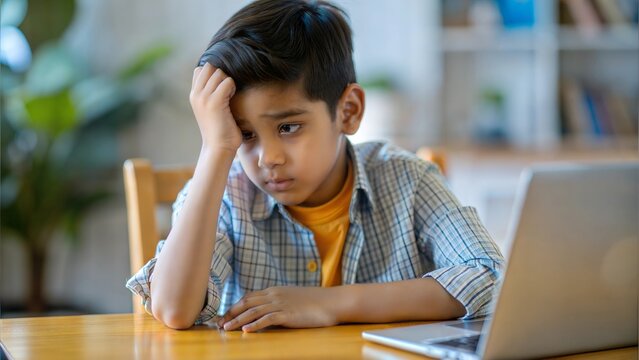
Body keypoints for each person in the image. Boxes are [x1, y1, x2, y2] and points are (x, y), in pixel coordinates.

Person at [126, 0, 504, 332]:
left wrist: (329, 303)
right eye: (245, 134)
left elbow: (491, 278)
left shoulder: (408, 180)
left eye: (288, 127)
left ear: (348, 111)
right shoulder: (224, 196)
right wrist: (215, 149)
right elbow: (174, 310)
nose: (267, 158)